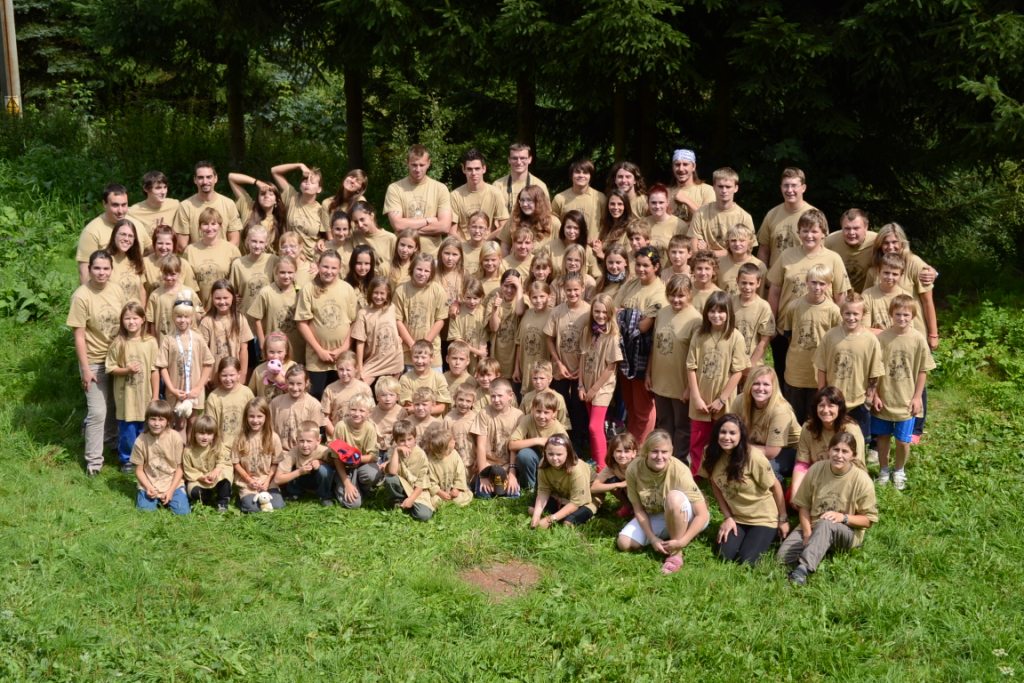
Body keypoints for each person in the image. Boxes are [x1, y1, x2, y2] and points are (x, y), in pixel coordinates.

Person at [777, 432, 878, 585]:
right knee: (782, 558)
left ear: (853, 455)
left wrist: (843, 517)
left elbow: (868, 520)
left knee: (826, 523)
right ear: (829, 450)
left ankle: (803, 570)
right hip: (813, 524)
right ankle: (820, 548)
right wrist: (807, 533)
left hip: (846, 530)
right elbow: (804, 505)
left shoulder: (862, 480)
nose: (839, 455)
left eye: (845, 452)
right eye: (836, 450)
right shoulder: (816, 469)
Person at [767, 209, 850, 383]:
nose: (809, 235)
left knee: (821, 377)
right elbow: (774, 291)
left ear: (823, 233)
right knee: (784, 377)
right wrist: (772, 324)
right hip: (787, 330)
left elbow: (840, 297)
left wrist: (841, 329)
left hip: (822, 331)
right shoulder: (787, 255)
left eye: (814, 231)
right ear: (798, 232)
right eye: (805, 231)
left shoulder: (833, 259)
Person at [68, 250, 129, 475]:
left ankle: (111, 441)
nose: (101, 273)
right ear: (89, 269)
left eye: (105, 268)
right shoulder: (81, 296)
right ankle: (94, 462)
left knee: (114, 406)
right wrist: (85, 369)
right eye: (97, 268)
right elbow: (79, 336)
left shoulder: (116, 290)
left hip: (116, 358)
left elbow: (125, 322)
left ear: (111, 270)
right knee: (97, 412)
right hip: (94, 360)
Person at [617, 430, 710, 574]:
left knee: (674, 498)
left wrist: (683, 542)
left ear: (671, 452)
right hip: (658, 513)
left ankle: (676, 554)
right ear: (646, 451)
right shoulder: (633, 469)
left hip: (688, 513)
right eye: (655, 451)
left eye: (664, 452)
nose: (660, 457)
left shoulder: (679, 470)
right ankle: (670, 535)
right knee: (624, 542)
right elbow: (638, 509)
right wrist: (652, 538)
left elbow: (703, 515)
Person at [702, 414, 788, 565]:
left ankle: (769, 536)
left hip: (763, 518)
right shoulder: (710, 453)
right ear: (716, 434)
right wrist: (728, 517)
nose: (727, 437)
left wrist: (783, 519)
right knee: (724, 556)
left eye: (732, 433)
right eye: (723, 432)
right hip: (737, 518)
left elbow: (775, 485)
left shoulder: (753, 456)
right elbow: (715, 484)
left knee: (746, 561)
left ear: (741, 435)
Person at [871, 294, 935, 490]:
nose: (902, 318)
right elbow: (873, 369)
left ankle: (899, 470)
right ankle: (883, 470)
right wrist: (875, 395)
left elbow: (923, 370)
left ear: (913, 316)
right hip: (884, 399)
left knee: (902, 441)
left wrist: (917, 397)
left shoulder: (918, 339)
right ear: (891, 314)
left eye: (906, 315)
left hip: (906, 401)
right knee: (882, 438)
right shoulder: (881, 338)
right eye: (898, 314)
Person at [686, 291, 749, 475]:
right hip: (701, 399)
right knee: (698, 439)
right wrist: (696, 397)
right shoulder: (699, 335)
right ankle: (697, 475)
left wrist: (722, 399)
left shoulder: (735, 337)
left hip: (724, 401)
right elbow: (691, 367)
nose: (716, 315)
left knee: (724, 438)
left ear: (729, 313)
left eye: (721, 311)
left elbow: (738, 371)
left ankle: (720, 475)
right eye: (712, 311)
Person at [814, 293, 884, 441]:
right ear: (841, 312)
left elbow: (874, 373)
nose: (851, 317)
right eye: (847, 313)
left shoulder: (871, 340)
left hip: (858, 402)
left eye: (855, 314)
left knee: (858, 442)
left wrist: (868, 401)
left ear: (863, 314)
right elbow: (821, 368)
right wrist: (822, 394)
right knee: (833, 441)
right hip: (833, 401)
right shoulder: (830, 336)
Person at [778, 264, 842, 424]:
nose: (817, 287)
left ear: (829, 285)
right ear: (806, 282)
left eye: (822, 283)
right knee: (793, 417)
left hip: (819, 374)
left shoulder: (833, 311)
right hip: (796, 371)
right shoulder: (794, 306)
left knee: (815, 418)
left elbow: (836, 342)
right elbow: (789, 336)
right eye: (813, 282)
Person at [647, 274, 701, 461]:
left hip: (681, 384)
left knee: (682, 426)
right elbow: (655, 345)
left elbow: (697, 356)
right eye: (672, 295)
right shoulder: (662, 313)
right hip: (661, 380)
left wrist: (689, 388)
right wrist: (649, 373)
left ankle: (679, 461)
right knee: (664, 423)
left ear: (690, 295)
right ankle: (663, 457)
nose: (676, 300)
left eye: (681, 296)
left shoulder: (695, 320)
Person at [295, 250, 358, 399]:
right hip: (316, 360)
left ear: (340, 268)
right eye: (325, 267)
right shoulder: (308, 289)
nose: (329, 271)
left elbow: (354, 322)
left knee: (340, 397)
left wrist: (344, 348)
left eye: (333, 268)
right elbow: (302, 323)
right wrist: (319, 350)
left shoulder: (347, 289)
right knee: (317, 396)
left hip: (342, 359)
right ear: (318, 266)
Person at [106, 302, 160, 473]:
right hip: (126, 397)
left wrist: (155, 396)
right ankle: (127, 459)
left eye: (135, 318)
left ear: (143, 319)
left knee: (146, 429)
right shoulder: (119, 342)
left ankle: (146, 458)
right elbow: (110, 368)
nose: (131, 322)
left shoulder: (150, 342)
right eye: (127, 319)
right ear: (122, 321)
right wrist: (126, 370)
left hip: (145, 395)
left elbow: (154, 370)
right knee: (127, 430)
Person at [792, 386, 865, 500]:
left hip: (845, 478)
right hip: (817, 477)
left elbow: (856, 466)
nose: (825, 410)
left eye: (831, 406)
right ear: (815, 408)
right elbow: (802, 464)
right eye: (821, 405)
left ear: (839, 408)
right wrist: (795, 492)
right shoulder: (808, 427)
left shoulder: (851, 429)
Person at [730, 366, 801, 480]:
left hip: (788, 450)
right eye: (756, 383)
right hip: (758, 443)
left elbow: (771, 452)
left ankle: (777, 490)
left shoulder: (780, 410)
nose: (760, 388)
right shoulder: (740, 401)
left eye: (766, 384)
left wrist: (737, 447)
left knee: (764, 467)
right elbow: (730, 429)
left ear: (774, 387)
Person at [156, 297, 214, 435]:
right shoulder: (168, 339)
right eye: (179, 316)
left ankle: (191, 448)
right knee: (179, 424)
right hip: (176, 390)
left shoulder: (198, 338)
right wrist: (172, 389)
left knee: (193, 422)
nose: (182, 320)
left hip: (195, 390)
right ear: (173, 317)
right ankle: (178, 448)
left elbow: (208, 363)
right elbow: (162, 366)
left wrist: (198, 388)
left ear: (192, 317)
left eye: (186, 317)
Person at [578, 293, 623, 471]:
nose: (600, 315)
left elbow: (611, 367)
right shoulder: (587, 331)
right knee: (594, 425)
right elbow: (582, 358)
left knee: (594, 427)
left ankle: (602, 468)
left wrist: (594, 390)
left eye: (604, 312)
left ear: (610, 313)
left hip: (602, 387)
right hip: (587, 383)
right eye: (597, 311)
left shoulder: (612, 335)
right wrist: (581, 385)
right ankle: (597, 458)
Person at [384, 144, 452, 255]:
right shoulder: (395, 188)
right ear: (407, 163)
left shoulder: (440, 189)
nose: (418, 169)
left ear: (429, 163)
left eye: (422, 165)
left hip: (432, 256)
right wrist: (428, 221)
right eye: (414, 165)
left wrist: (408, 229)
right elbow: (397, 225)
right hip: (404, 255)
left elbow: (445, 226)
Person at [76, 184, 148, 284]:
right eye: (115, 205)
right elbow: (85, 274)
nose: (120, 211)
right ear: (104, 204)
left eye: (124, 205)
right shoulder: (92, 231)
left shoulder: (136, 225)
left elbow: (150, 252)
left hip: (135, 289)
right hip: (106, 291)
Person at [130, 400, 190, 514]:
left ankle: (174, 495)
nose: (156, 423)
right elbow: (139, 470)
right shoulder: (140, 441)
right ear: (147, 420)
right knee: (145, 512)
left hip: (172, 483)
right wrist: (148, 487)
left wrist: (171, 491)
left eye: (161, 419)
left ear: (168, 421)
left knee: (183, 512)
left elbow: (180, 468)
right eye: (153, 419)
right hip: (150, 483)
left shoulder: (175, 438)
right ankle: (152, 498)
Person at [469, 378, 524, 498]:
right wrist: (483, 475)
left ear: (510, 396)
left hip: (508, 465)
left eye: (500, 396)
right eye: (493, 396)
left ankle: (506, 482)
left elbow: (515, 447)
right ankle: (481, 481)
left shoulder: (518, 416)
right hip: (488, 465)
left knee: (512, 495)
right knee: (484, 495)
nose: (496, 400)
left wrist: (512, 474)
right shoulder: (484, 413)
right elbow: (481, 446)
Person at [173, 161, 242, 252]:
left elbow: (235, 241)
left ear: (215, 178)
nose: (205, 181)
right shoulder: (185, 206)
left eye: (209, 177)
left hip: (223, 257)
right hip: (196, 259)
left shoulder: (229, 204)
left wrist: (219, 256)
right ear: (195, 180)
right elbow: (182, 245)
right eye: (200, 178)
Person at [529, 433, 595, 528]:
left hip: (584, 501)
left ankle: (587, 513)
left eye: (559, 454)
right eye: (550, 454)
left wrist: (550, 520)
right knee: (532, 510)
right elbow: (543, 490)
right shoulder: (543, 464)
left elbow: (576, 503)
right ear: (545, 452)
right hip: (561, 496)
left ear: (568, 453)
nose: (554, 458)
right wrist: (536, 516)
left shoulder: (576, 469)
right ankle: (559, 511)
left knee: (567, 523)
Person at [509, 390, 570, 491]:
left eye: (546, 412)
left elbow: (566, 453)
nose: (542, 416)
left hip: (551, 462)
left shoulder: (558, 429)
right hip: (534, 458)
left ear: (554, 413)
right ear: (532, 409)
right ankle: (530, 487)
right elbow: (512, 445)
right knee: (524, 455)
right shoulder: (528, 419)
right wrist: (537, 440)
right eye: (538, 411)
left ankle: (548, 485)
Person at [247, 256, 303, 365]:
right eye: (282, 272)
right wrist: (263, 344)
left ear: (295, 272)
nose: (286, 276)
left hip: (296, 348)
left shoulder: (300, 292)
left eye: (290, 272)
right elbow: (257, 319)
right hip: (274, 351)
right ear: (276, 272)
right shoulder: (266, 292)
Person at [232, 397, 284, 512]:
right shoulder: (240, 438)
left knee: (277, 505)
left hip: (266, 480)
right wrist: (249, 480)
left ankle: (263, 494)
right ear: (246, 417)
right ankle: (242, 498)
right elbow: (236, 463)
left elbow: (275, 463)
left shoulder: (273, 437)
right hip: (247, 482)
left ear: (266, 417)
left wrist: (267, 481)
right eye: (251, 416)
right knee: (253, 508)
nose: (255, 420)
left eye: (259, 416)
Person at [182, 208, 242, 307]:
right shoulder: (190, 251)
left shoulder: (232, 250)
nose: (209, 228)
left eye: (213, 224)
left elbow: (238, 280)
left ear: (220, 226)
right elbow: (185, 283)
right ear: (200, 227)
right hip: (198, 308)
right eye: (205, 224)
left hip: (224, 307)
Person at [756, 167, 816, 268]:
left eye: (794, 186)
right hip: (774, 277)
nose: (789, 190)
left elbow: (820, 251)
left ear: (803, 188)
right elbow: (764, 250)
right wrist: (762, 275)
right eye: (786, 185)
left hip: (803, 275)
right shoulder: (771, 215)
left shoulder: (814, 215)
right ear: (781, 187)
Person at [332, 394, 383, 509]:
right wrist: (347, 483)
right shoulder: (341, 426)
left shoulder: (370, 428)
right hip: (343, 467)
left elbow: (373, 456)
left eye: (362, 411)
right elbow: (336, 457)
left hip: (361, 465)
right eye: (353, 409)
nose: (357, 413)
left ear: (369, 413)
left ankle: (362, 489)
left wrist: (355, 458)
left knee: (373, 473)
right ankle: (338, 485)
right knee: (353, 504)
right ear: (348, 410)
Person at [691, 168, 755, 258]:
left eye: (728, 187)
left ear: (736, 188)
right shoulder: (700, 213)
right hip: (705, 264)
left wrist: (709, 251)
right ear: (713, 187)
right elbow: (695, 249)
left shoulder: (744, 217)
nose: (724, 191)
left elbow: (747, 250)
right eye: (720, 186)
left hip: (733, 264)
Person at [351, 276, 404, 384]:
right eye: (376, 293)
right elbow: (360, 342)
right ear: (370, 292)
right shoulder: (363, 313)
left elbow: (397, 324)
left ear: (388, 294)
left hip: (394, 359)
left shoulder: (392, 308)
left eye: (382, 293)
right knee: (360, 386)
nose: (379, 297)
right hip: (374, 360)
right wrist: (360, 367)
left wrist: (398, 337)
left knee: (390, 390)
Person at [271, 162, 329, 260]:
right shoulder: (291, 196)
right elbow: (274, 171)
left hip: (311, 261)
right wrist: (299, 165)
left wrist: (323, 240)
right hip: (289, 258)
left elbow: (328, 237)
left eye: (312, 182)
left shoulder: (321, 210)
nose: (307, 183)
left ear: (319, 189)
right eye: (305, 180)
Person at [200, 280, 253, 381]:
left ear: (233, 297)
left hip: (234, 375)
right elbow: (202, 352)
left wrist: (243, 374)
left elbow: (244, 350)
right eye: (218, 298)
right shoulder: (206, 321)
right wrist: (204, 377)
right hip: (213, 377)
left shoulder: (240, 319)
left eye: (225, 298)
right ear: (212, 298)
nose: (222, 302)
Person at [450, 148, 509, 239]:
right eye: (469, 169)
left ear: (484, 169)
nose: (473, 173)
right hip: (463, 245)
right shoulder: (455, 195)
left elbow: (504, 226)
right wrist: (465, 245)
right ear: (463, 169)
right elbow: (451, 231)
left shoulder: (495, 193)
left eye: (477, 169)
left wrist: (485, 241)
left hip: (488, 244)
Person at [383, 419, 434, 521]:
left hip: (417, 490)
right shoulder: (395, 451)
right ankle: (398, 501)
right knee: (390, 479)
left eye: (409, 439)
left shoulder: (420, 455)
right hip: (403, 485)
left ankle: (409, 504)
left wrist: (411, 499)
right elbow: (392, 471)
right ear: (396, 441)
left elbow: (421, 483)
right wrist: (396, 451)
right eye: (402, 441)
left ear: (415, 438)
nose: (406, 443)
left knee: (424, 515)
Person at [275, 420, 335, 506]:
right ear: (296, 440)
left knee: (324, 470)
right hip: (300, 478)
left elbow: (335, 466)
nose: (305, 445)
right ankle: (294, 492)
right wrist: (299, 472)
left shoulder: (324, 451)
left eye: (309, 441)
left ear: (318, 440)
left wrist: (321, 462)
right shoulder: (292, 453)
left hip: (316, 478)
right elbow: (277, 479)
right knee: (291, 469)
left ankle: (325, 496)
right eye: (301, 441)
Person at [146, 254, 203, 343]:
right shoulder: (155, 295)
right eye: (165, 274)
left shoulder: (189, 292)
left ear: (179, 273)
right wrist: (155, 342)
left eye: (172, 274)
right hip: (164, 343)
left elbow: (200, 315)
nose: (169, 278)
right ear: (161, 272)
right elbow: (151, 323)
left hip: (186, 342)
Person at [731, 263, 774, 375]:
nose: (747, 287)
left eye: (751, 283)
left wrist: (751, 364)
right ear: (737, 281)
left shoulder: (763, 307)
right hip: (732, 362)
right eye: (744, 283)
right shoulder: (730, 302)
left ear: (758, 283)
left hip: (753, 364)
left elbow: (764, 340)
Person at [182, 414, 232, 511]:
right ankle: (207, 497)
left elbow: (223, 460)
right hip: (199, 479)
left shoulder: (217, 445)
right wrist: (201, 477)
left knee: (226, 475)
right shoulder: (188, 451)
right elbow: (188, 470)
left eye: (209, 434)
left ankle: (222, 502)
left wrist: (216, 470)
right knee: (194, 492)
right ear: (194, 433)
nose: (205, 437)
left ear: (214, 435)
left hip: (215, 476)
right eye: (201, 433)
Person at [269, 364, 324, 452]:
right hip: (279, 452)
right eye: (291, 383)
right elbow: (269, 431)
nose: (295, 388)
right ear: (286, 382)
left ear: (306, 383)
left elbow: (315, 436)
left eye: (299, 384)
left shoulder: (314, 405)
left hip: (303, 454)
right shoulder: (275, 403)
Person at [227, 172, 285, 254]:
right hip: (243, 260)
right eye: (263, 193)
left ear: (276, 201)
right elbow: (231, 177)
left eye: (271, 194)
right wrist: (257, 182)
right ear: (257, 198)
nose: (266, 196)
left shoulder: (280, 221)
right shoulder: (248, 207)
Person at [205, 357, 256, 449]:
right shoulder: (213, 397)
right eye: (224, 375)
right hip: (222, 448)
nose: (228, 379)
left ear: (239, 374)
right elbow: (211, 426)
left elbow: (254, 418)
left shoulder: (247, 393)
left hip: (245, 446)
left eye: (232, 375)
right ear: (219, 375)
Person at [422, 422, 473, 510]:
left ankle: (452, 501)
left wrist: (456, 489)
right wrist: (440, 492)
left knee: (462, 497)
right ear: (444, 449)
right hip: (440, 492)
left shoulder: (454, 455)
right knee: (435, 500)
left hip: (453, 489)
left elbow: (460, 474)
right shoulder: (431, 461)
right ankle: (445, 502)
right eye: (451, 441)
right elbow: (430, 481)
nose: (454, 441)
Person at [824, 208, 876, 293]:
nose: (851, 232)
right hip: (837, 294)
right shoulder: (829, 242)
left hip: (867, 296)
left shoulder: (876, 242)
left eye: (856, 228)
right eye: (847, 228)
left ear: (866, 227)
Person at [321, 351, 374, 435]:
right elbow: (325, 417)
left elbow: (370, 413)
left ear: (356, 369)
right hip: (337, 435)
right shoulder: (330, 389)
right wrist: (336, 434)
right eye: (341, 369)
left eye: (348, 370)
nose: (344, 373)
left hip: (359, 435)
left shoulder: (364, 389)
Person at [493, 142, 550, 217]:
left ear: (530, 159)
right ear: (509, 160)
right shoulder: (497, 186)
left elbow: (546, 215)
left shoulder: (540, 185)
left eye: (523, 158)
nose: (519, 162)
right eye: (514, 158)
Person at [551, 158, 606, 233]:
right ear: (571, 175)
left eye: (585, 173)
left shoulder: (600, 198)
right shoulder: (559, 198)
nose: (581, 175)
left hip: (593, 241)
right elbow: (553, 225)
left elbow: (606, 224)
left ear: (591, 176)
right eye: (577, 172)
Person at [590, 432, 639, 517]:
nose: (622, 455)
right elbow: (593, 488)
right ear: (612, 453)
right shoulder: (612, 467)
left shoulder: (639, 465)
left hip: (643, 496)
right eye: (618, 451)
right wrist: (618, 484)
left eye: (627, 451)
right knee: (611, 481)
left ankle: (639, 510)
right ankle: (628, 506)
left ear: (634, 453)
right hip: (628, 494)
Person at [447, 278, 489, 373]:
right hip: (460, 357)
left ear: (481, 297)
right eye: (468, 298)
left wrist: (481, 355)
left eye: (475, 298)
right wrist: (477, 352)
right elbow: (457, 339)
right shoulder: (456, 312)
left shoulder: (483, 312)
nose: (472, 301)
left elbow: (484, 338)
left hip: (476, 360)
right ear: (463, 295)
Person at [398, 340, 451, 414]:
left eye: (423, 357)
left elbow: (442, 407)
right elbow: (408, 407)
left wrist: (422, 410)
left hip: (434, 419)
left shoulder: (439, 377)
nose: (419, 361)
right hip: (413, 419)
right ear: (411, 357)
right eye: (416, 357)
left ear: (431, 358)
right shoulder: (405, 378)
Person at [128, 170, 180, 242]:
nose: (163, 192)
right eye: (158, 188)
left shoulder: (175, 205)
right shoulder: (133, 212)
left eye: (165, 187)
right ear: (146, 189)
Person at [348, 201, 397, 278]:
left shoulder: (390, 238)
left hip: (383, 281)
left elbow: (398, 265)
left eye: (362, 219)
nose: (360, 225)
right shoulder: (354, 236)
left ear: (371, 215)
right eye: (356, 222)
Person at [668, 149, 715, 228]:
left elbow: (708, 219)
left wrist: (686, 201)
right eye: (677, 165)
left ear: (693, 167)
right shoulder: (666, 193)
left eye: (685, 164)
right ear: (673, 167)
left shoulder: (707, 190)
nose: (681, 169)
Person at [106, 219, 147, 307]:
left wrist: (142, 312)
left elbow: (141, 290)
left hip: (134, 313)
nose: (126, 239)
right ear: (114, 235)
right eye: (123, 234)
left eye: (130, 236)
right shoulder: (104, 260)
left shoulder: (136, 260)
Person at [717, 225, 766, 296]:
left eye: (742, 240)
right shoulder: (719, 263)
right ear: (728, 242)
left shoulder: (759, 266)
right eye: (733, 240)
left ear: (749, 243)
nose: (737, 244)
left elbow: (761, 296)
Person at [644, 183, 687, 254]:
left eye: (661, 202)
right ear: (648, 203)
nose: (657, 206)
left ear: (667, 203)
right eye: (653, 203)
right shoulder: (642, 224)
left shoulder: (680, 225)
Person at [370, 376, 403, 457]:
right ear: (377, 397)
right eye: (383, 395)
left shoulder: (401, 412)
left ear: (397, 397)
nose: (388, 399)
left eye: (391, 395)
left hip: (394, 448)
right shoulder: (371, 412)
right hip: (376, 449)